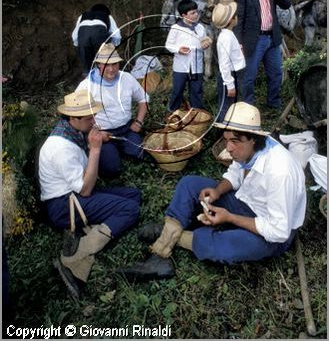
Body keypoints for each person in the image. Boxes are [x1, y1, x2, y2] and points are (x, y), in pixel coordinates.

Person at [117, 102, 306, 281]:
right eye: (226, 140)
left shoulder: (280, 173)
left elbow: (278, 231)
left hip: (274, 231)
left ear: (254, 140)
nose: (229, 148)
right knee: (189, 183)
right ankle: (162, 253)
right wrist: (217, 191)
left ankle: (171, 235)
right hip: (246, 202)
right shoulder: (247, 149)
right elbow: (235, 174)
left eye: (235, 141)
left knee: (227, 246)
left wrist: (230, 218)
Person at [38, 89, 141, 298]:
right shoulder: (60, 148)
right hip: (64, 205)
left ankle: (93, 225)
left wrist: (94, 139)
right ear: (73, 118)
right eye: (89, 117)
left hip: (76, 193)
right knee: (131, 209)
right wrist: (94, 150)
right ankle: (76, 254)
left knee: (134, 195)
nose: (94, 119)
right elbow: (85, 189)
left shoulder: (71, 130)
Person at [76, 43, 149, 177]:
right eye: (106, 65)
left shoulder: (126, 78)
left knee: (138, 154)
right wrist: (95, 132)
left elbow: (143, 99)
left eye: (114, 64)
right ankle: (105, 151)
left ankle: (121, 148)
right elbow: (76, 116)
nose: (111, 69)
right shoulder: (87, 85)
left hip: (126, 129)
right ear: (98, 64)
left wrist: (139, 122)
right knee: (111, 170)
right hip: (103, 133)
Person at [234, 0, 291, 109]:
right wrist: (238, 42)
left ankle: (274, 104)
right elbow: (239, 18)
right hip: (254, 39)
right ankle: (248, 107)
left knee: (276, 74)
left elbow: (286, 5)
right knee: (249, 77)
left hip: (272, 39)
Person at [165, 0, 212, 112]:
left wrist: (205, 44)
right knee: (178, 89)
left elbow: (203, 41)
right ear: (183, 15)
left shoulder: (200, 27)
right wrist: (178, 49)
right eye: (192, 13)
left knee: (196, 89)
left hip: (196, 66)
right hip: (181, 67)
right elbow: (168, 45)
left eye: (196, 12)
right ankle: (173, 111)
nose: (196, 15)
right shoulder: (176, 28)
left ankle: (196, 112)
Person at [212, 1, 246, 121]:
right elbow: (224, 63)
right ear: (231, 20)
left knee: (233, 104)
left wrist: (237, 49)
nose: (237, 17)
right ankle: (224, 129)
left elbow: (229, 55)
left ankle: (231, 127)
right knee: (226, 105)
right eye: (235, 15)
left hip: (235, 73)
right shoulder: (226, 37)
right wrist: (230, 85)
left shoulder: (228, 35)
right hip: (230, 76)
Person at [72, 3, 122, 74]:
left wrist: (79, 47)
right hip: (99, 36)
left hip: (83, 38)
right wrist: (113, 46)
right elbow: (116, 35)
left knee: (87, 67)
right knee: (102, 63)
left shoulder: (82, 16)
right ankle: (103, 78)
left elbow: (74, 36)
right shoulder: (108, 16)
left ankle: (89, 79)